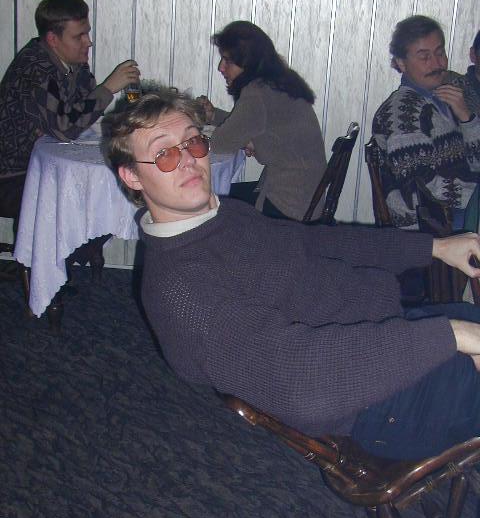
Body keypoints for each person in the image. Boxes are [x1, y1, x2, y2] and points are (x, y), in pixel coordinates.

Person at [107, 87, 480, 462]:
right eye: (164, 153)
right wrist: (452, 336)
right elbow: (302, 381)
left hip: (390, 329)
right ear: (132, 176)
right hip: (381, 403)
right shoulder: (179, 290)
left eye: (193, 142)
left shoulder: (224, 216)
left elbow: (314, 242)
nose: (189, 160)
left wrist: (434, 247)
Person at [0, 0, 140, 219]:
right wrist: (108, 88)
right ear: (53, 39)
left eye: (87, 33)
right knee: (82, 201)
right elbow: (65, 127)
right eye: (79, 36)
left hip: (40, 167)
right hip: (11, 176)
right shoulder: (35, 69)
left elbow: (80, 113)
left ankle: (92, 244)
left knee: (102, 191)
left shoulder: (74, 64)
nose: (88, 42)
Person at [199, 20, 327, 222]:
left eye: (227, 61)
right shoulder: (277, 82)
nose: (220, 67)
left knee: (207, 205)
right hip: (307, 198)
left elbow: (219, 144)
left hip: (288, 207)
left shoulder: (257, 93)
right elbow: (251, 125)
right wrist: (213, 116)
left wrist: (247, 141)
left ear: (247, 63)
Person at [372, 15, 480, 231]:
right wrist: (476, 195)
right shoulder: (403, 112)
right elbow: (421, 189)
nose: (437, 64)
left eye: (440, 53)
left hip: (455, 211)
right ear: (401, 63)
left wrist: (467, 119)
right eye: (424, 57)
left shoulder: (445, 97)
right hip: (428, 224)